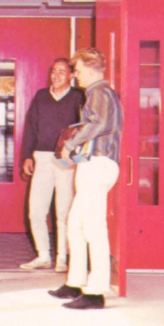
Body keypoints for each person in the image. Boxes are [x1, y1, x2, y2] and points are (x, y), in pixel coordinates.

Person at [48, 47, 123, 310]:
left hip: (98, 165)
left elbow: (99, 123)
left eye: (77, 70)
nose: (75, 75)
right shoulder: (100, 93)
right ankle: (76, 282)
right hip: (95, 164)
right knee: (76, 226)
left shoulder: (99, 93)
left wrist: (70, 144)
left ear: (90, 69)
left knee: (92, 228)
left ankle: (96, 291)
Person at [20, 58, 84, 273]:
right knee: (36, 210)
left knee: (63, 211)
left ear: (71, 75)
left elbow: (83, 128)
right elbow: (32, 128)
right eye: (53, 71)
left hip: (66, 160)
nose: (56, 75)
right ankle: (43, 255)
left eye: (62, 71)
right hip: (43, 158)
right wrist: (27, 156)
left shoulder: (78, 97)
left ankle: (62, 258)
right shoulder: (40, 96)